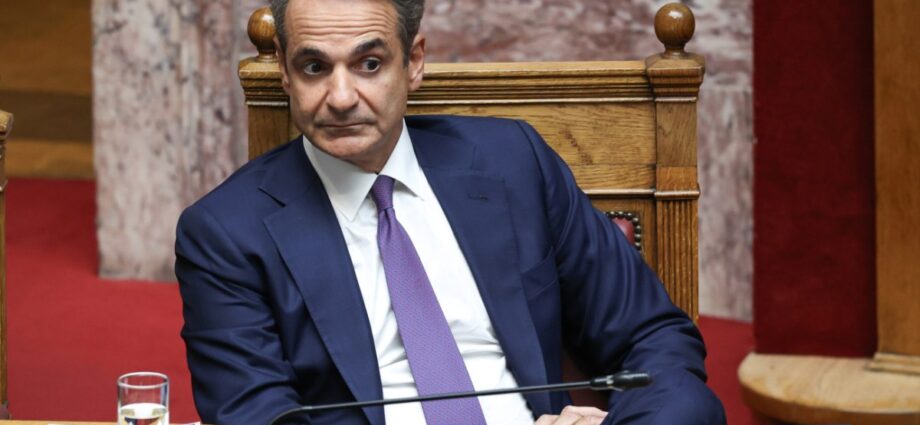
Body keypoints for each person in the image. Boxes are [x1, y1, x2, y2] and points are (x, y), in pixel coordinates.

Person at [175, 0, 726, 424]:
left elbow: (655, 340)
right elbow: (257, 417)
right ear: (284, 72)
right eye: (314, 67)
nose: (340, 97)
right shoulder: (225, 233)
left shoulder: (514, 164)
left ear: (413, 62)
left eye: (369, 64)